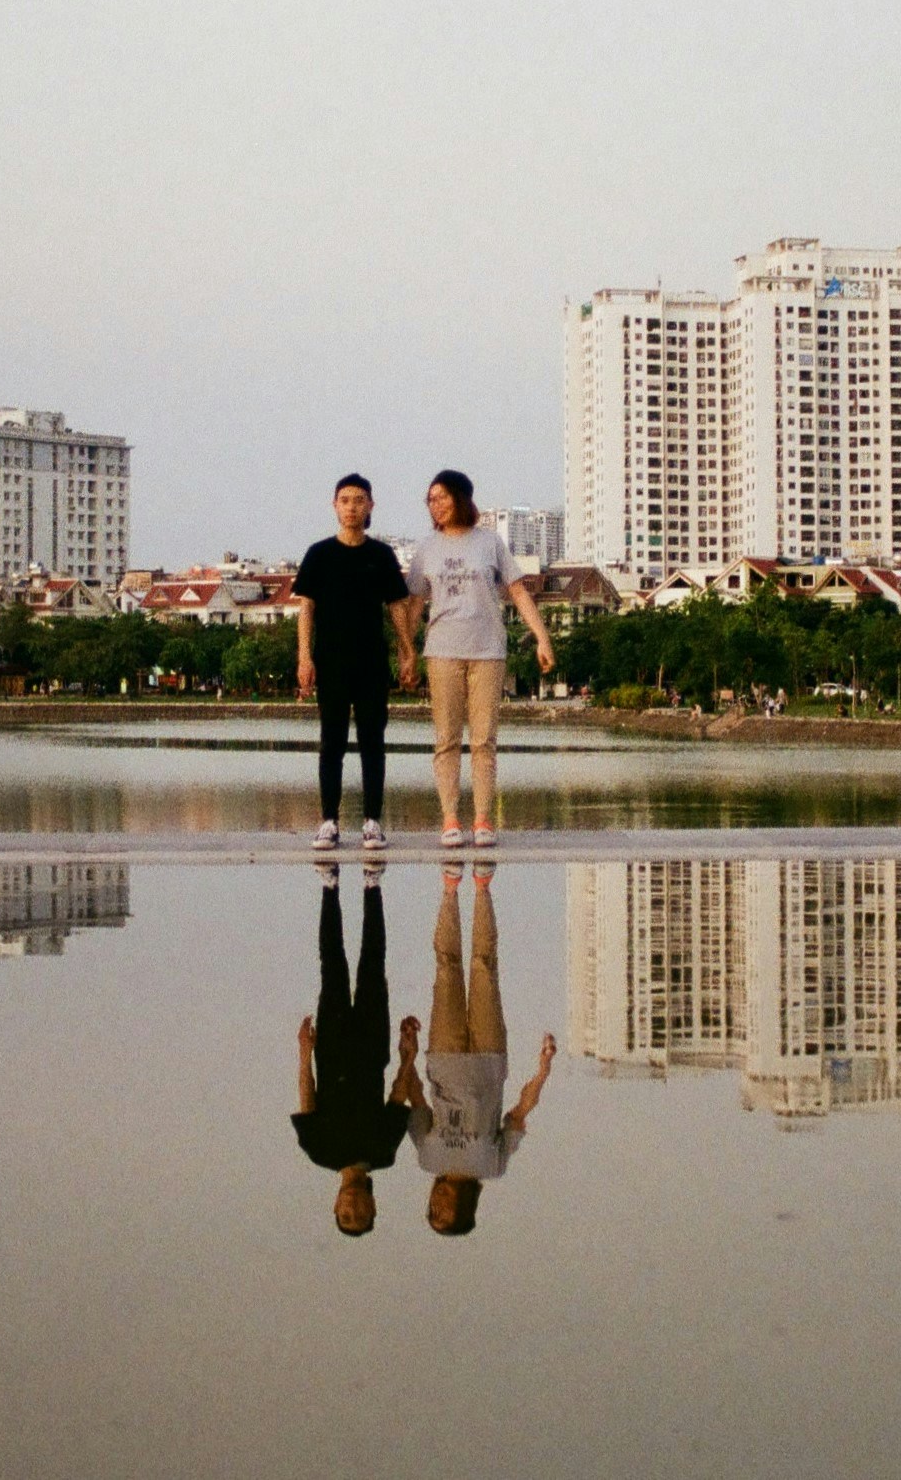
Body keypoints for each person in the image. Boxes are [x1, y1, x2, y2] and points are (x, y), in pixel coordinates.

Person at [401, 469, 554, 850]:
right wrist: (406, 652)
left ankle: (483, 818)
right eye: (430, 499)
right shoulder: (426, 549)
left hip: (487, 650)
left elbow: (517, 591)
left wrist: (542, 637)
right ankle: (451, 819)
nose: (435, 505)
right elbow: (415, 604)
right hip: (442, 652)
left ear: (461, 498)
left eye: (442, 497)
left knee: (484, 740)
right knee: (447, 740)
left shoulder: (490, 544)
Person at [409, 863, 555, 1237]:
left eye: (432, 1212)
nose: (437, 1205)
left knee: (446, 967)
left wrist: (406, 1053)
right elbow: (519, 1114)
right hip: (489, 1059)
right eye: (444, 1214)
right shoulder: (492, 1166)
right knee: (485, 967)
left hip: (442, 1057)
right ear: (464, 1210)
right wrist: (542, 1071)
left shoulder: (427, 1159)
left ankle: (449, 889)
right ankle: (482, 888)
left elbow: (417, 1102)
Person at [293, 473, 417, 852]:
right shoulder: (319, 554)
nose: (352, 507)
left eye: (359, 500)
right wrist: (304, 656)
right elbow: (306, 608)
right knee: (331, 742)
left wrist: (407, 650)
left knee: (372, 743)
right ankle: (329, 820)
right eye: (345, 500)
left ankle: (372, 822)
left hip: (371, 663)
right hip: (330, 662)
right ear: (334, 506)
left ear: (370, 507)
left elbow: (397, 606)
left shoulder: (380, 556)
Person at [292, 867, 419, 1236]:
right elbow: (397, 1097)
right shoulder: (384, 1153)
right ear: (373, 1206)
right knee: (372, 963)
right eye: (360, 1215)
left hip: (329, 1049)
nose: (352, 1209)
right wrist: (408, 1056)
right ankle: (371, 886)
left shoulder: (319, 1150)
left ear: (335, 1204)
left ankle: (329, 888)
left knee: (333, 966)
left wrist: (304, 1052)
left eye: (345, 1215)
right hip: (372, 1046)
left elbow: (307, 1097)